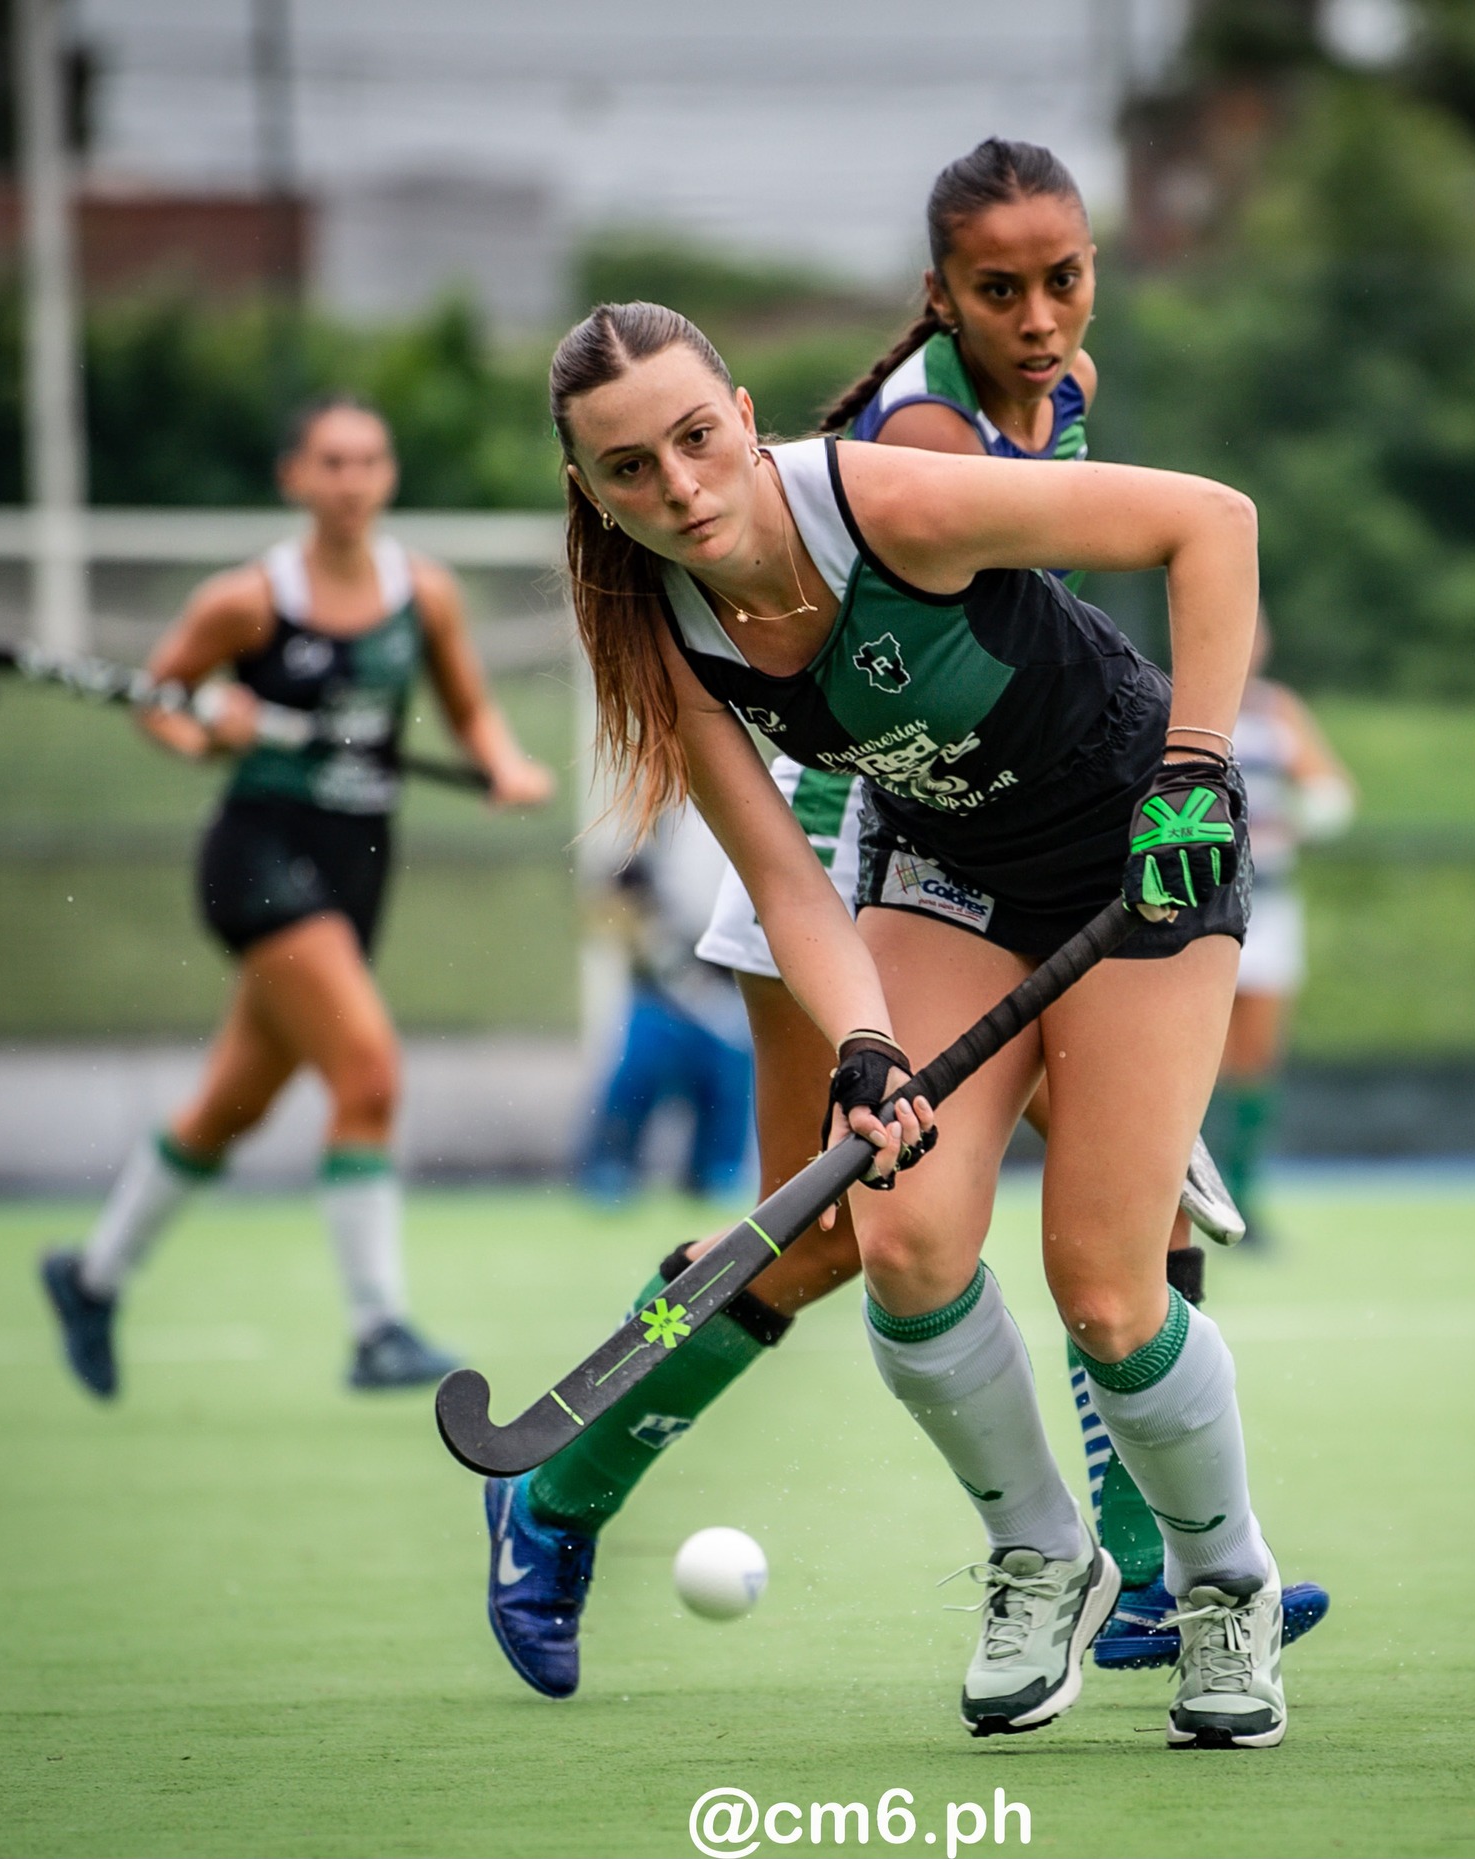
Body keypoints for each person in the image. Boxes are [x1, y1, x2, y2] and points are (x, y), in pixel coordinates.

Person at [485, 141, 1323, 1708]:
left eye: (693, 442)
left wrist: (1199, 778)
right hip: (920, 861)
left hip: (1134, 840)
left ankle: (1216, 1587)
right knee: (888, 1236)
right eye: (628, 470)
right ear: (588, 490)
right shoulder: (655, 619)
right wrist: (866, 1041)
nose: (679, 491)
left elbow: (1214, 522)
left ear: (742, 416)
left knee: (1109, 1270)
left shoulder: (901, 488)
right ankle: (1040, 1556)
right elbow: (792, 873)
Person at [38, 397, 556, 1399]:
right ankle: (377, 1328)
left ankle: (91, 1276)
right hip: (258, 856)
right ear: (294, 479)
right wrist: (211, 731)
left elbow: (467, 706)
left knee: (230, 1105)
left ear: (388, 475)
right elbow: (163, 704)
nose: (351, 480)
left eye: (369, 460)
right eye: (331, 462)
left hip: (360, 862)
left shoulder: (425, 592)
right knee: (366, 1069)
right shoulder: (248, 601)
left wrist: (502, 764)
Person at [1200, 613, 1355, 1245]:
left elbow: (1332, 796)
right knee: (1190, 1059)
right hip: (1197, 915)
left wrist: (1293, 820)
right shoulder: (1170, 699)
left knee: (1255, 1058)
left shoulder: (1278, 710)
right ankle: (1184, 1198)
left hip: (1270, 911)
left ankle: (1246, 1199)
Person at [577, 804, 755, 1200]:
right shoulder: (657, 818)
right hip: (658, 992)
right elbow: (615, 894)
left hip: (727, 988)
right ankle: (610, 1172)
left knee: (727, 1085)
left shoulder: (755, 813)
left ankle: (717, 1174)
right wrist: (655, 950)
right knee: (635, 1079)